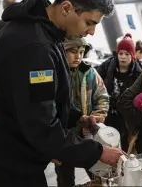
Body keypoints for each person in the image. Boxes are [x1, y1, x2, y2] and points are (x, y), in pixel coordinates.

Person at [0, 0, 123, 187]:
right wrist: (97, 152)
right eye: (89, 22)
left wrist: (75, 118)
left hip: (11, 155)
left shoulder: (43, 32)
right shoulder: (34, 48)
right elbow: (41, 127)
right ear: (66, 8)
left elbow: (43, 101)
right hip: (7, 167)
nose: (91, 32)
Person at [55, 37, 109, 187]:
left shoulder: (90, 73)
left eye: (81, 52)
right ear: (62, 51)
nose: (78, 56)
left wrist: (98, 115)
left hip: (87, 131)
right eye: (72, 51)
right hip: (64, 134)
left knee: (96, 171)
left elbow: (102, 96)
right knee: (65, 177)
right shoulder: (56, 73)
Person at [96, 33, 142, 152]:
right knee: (108, 141)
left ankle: (126, 165)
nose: (123, 57)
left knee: (127, 143)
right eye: (120, 53)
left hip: (126, 113)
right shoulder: (108, 65)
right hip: (109, 110)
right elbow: (95, 77)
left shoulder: (138, 72)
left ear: (132, 55)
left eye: (127, 54)